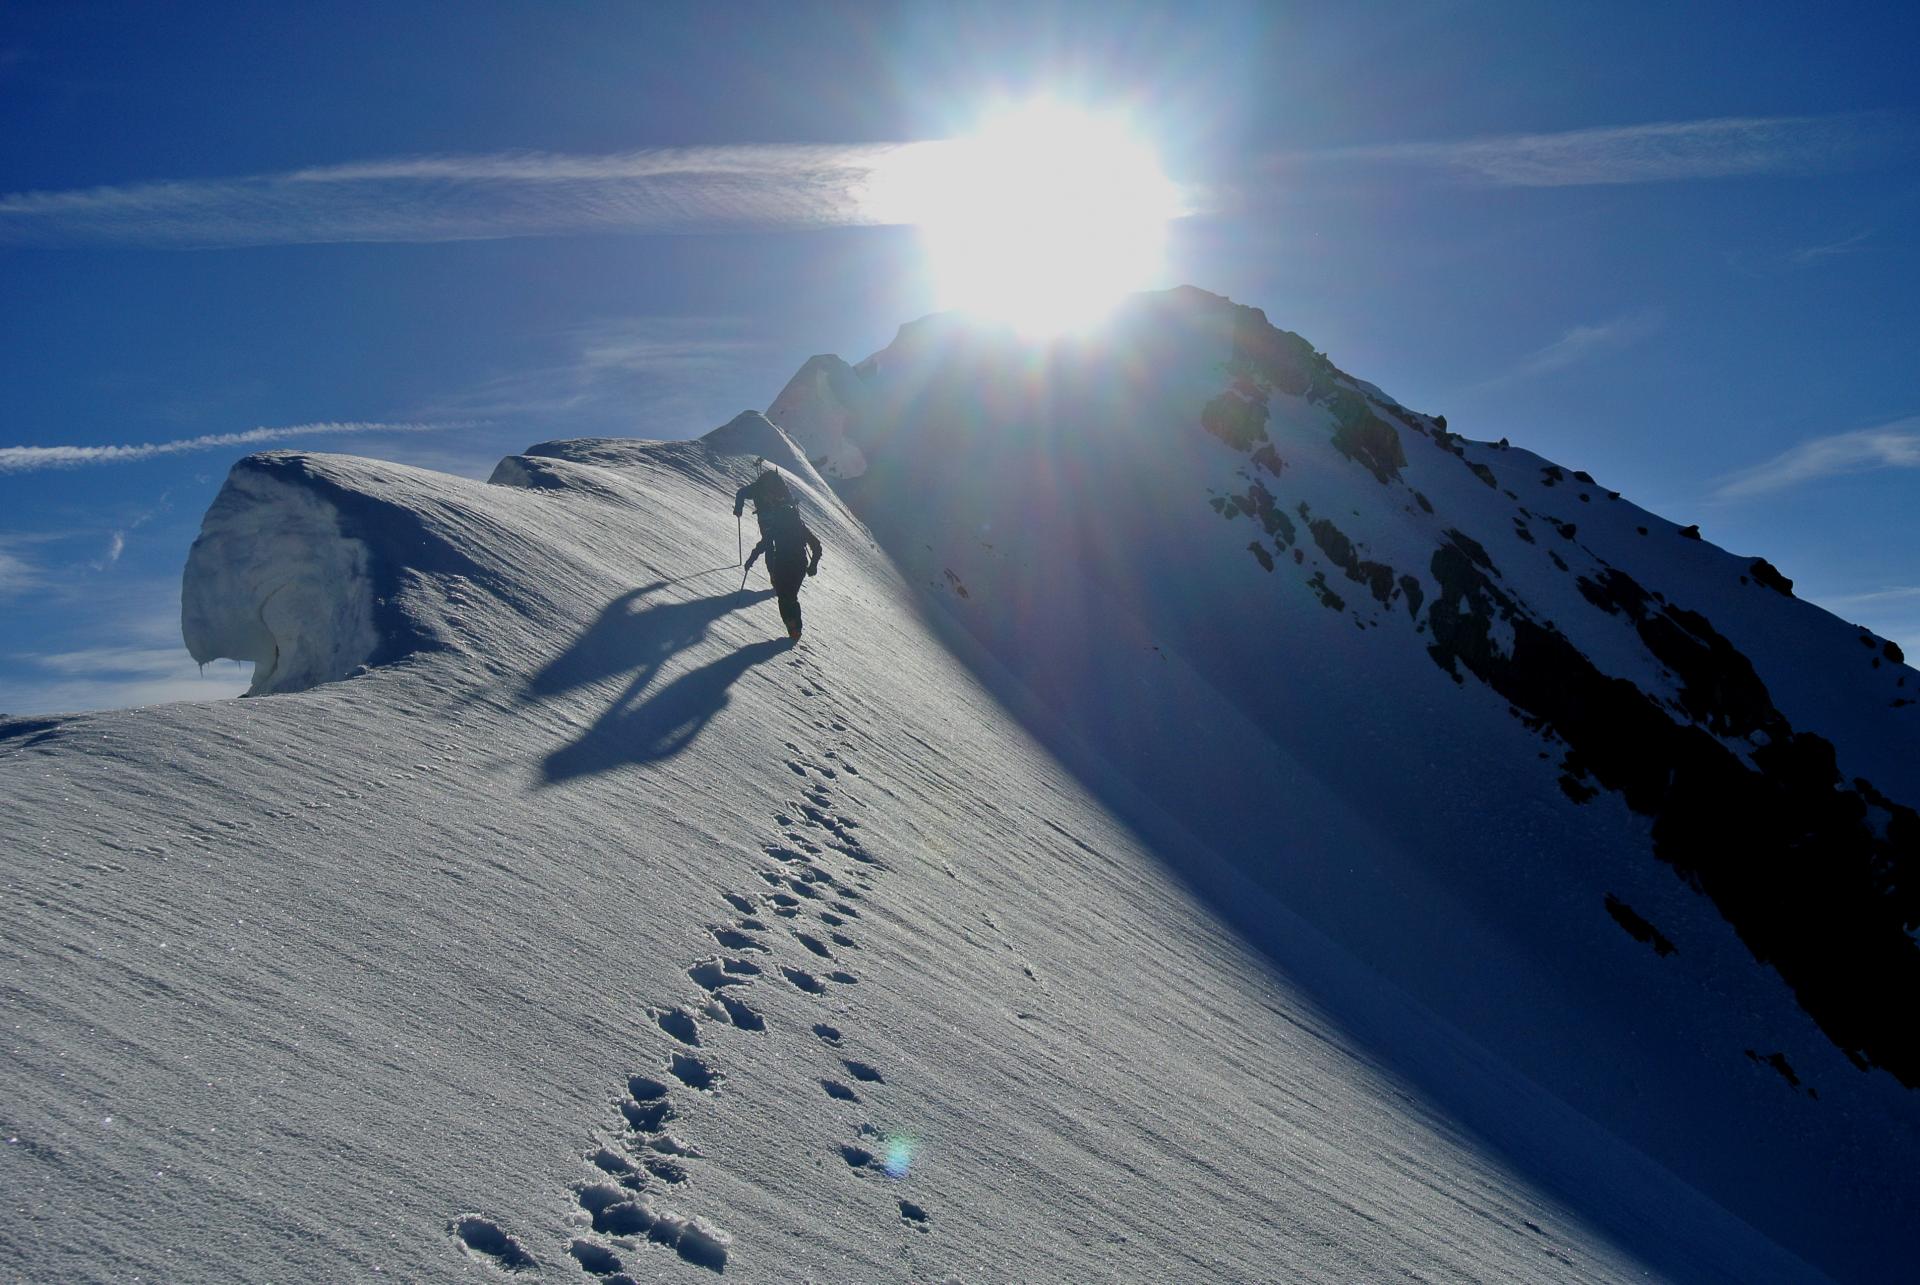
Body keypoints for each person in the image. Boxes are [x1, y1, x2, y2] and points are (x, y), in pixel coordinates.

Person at [735, 469, 823, 640]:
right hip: (799, 565)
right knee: (790, 597)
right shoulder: (799, 525)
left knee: (784, 598)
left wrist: (751, 560)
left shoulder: (776, 525)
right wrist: (813, 566)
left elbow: (765, 543)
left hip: (782, 564)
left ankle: (793, 628)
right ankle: (795, 628)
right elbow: (817, 546)